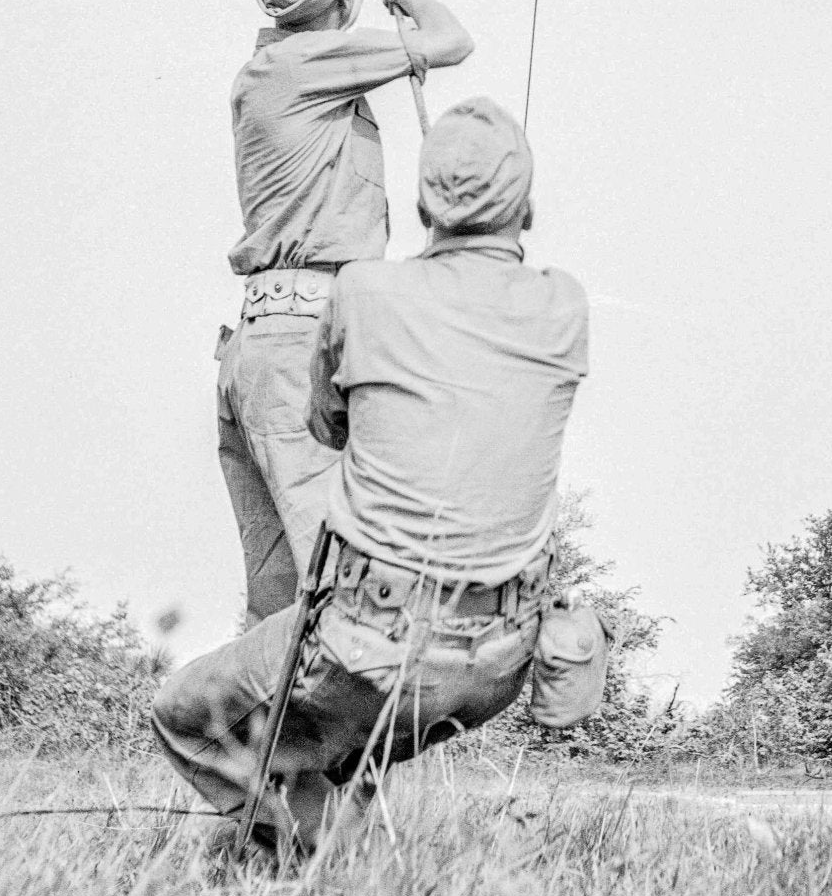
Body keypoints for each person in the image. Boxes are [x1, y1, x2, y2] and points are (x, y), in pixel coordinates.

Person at [154, 96, 590, 854]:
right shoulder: (565, 305)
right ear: (528, 208)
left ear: (420, 207)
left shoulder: (361, 291)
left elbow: (326, 427)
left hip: (367, 650)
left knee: (182, 714)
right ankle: (330, 853)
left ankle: (318, 858)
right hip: (501, 662)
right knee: (338, 738)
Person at [218, 0, 474, 624]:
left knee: (282, 615)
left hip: (262, 350)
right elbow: (452, 41)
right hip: (305, 354)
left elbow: (335, 8)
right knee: (346, 595)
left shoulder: (274, 65)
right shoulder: (312, 65)